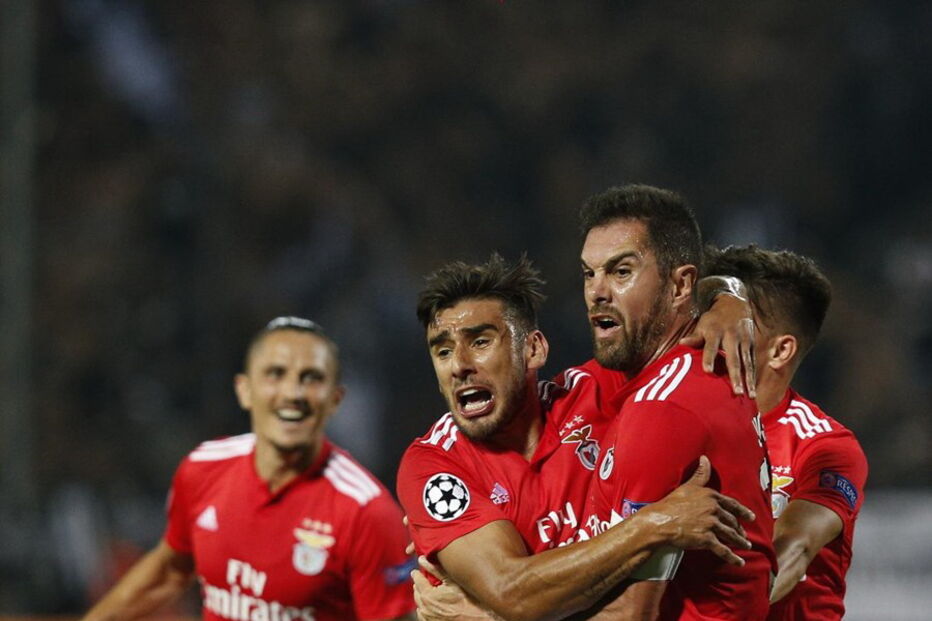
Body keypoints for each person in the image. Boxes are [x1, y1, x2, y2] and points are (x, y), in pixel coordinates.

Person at [397, 254, 759, 621]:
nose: (458, 365)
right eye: (443, 351)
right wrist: (655, 525)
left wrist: (728, 297)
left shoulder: (598, 392)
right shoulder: (434, 465)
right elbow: (514, 593)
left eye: (480, 342)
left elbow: (673, 314)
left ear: (533, 349)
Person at [82, 317, 416, 621]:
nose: (292, 393)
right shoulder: (203, 468)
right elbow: (170, 571)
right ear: (244, 390)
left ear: (335, 400)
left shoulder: (367, 512)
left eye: (311, 378)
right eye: (276, 374)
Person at [581, 185, 776, 620]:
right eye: (589, 273)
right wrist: (728, 290)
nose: (597, 291)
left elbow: (629, 613)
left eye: (621, 272)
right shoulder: (686, 369)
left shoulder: (664, 409)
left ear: (680, 284)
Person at [703, 245, 868, 620]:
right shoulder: (664, 419)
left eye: (734, 323)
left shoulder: (824, 446)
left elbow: (793, 550)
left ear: (780, 351)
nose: (711, 330)